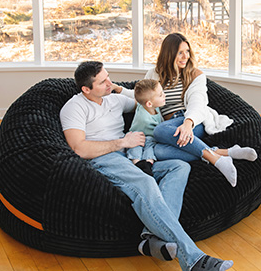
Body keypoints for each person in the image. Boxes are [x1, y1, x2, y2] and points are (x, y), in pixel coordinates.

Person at [60, 61, 233, 271]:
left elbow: (144, 99)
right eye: (102, 82)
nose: (109, 83)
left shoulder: (114, 99)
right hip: (104, 159)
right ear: (86, 89)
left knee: (179, 167)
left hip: (129, 156)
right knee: (145, 182)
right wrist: (123, 142)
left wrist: (188, 114)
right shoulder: (74, 107)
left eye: (108, 77)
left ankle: (150, 238)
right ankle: (194, 259)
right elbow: (79, 148)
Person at [114, 33, 257, 188]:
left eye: (187, 51)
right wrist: (119, 89)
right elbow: (142, 96)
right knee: (159, 151)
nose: (185, 56)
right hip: (170, 128)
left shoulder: (195, 74)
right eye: (180, 52)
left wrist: (188, 123)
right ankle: (224, 153)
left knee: (159, 131)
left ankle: (216, 160)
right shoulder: (155, 73)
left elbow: (198, 102)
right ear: (169, 54)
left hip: (192, 122)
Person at [126, 79, 165, 176]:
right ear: (149, 104)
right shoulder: (144, 118)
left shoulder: (148, 105)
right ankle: (137, 163)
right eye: (160, 95)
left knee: (150, 146)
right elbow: (159, 132)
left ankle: (148, 163)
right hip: (136, 135)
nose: (164, 95)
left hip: (150, 137)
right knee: (135, 148)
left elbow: (136, 96)